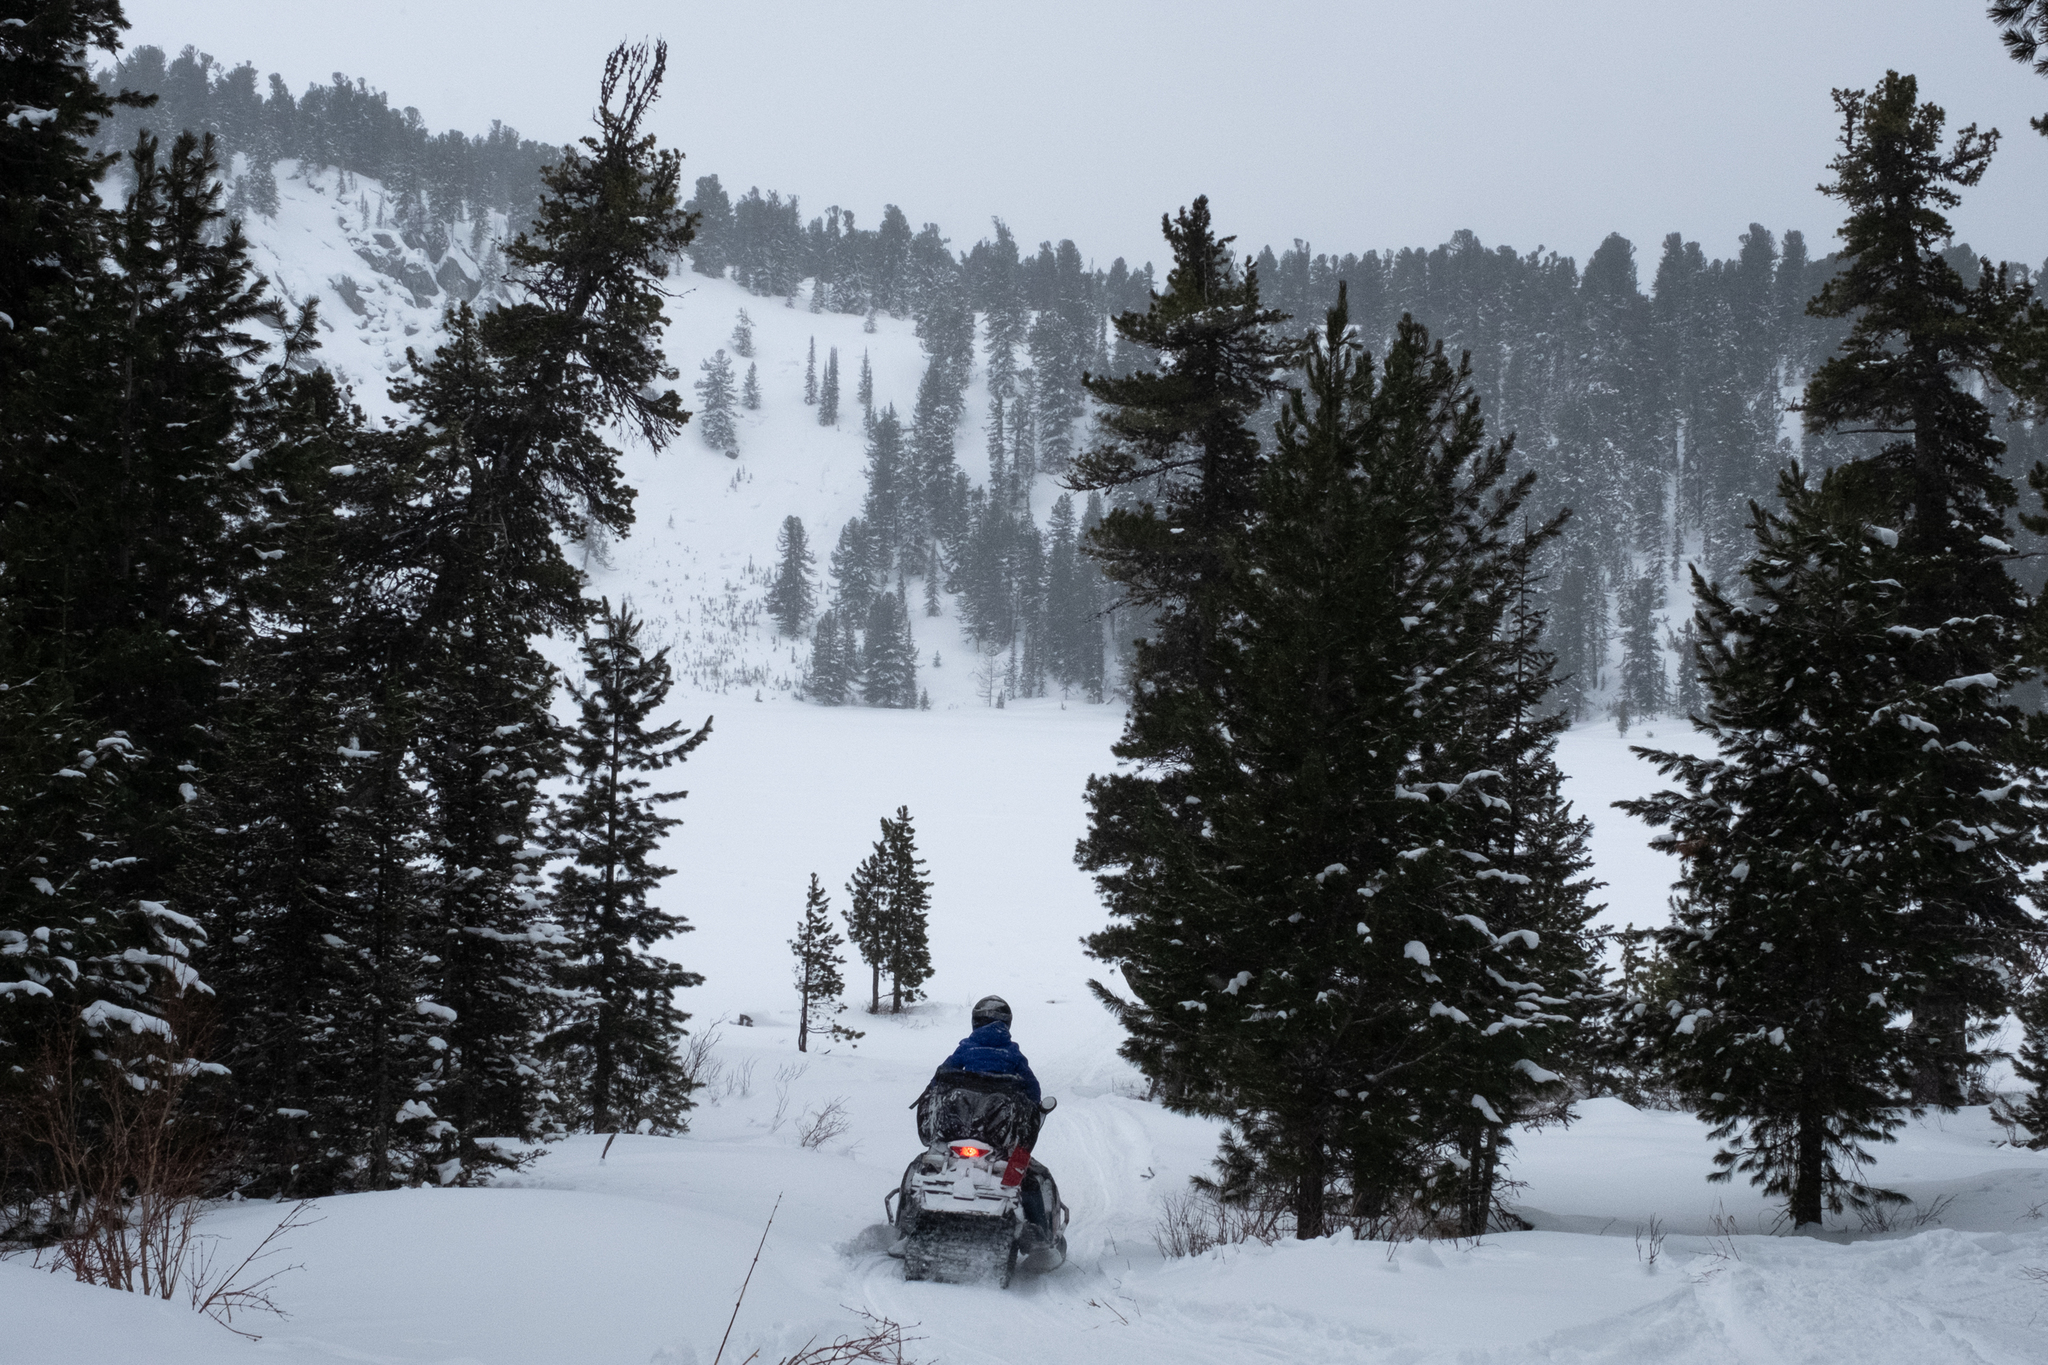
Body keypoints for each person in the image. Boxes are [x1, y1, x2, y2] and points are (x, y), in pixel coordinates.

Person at [930, 995, 1058, 1259]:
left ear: (976, 1022)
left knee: (926, 1165)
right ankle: (1039, 1236)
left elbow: (940, 1079)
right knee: (1028, 1178)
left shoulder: (965, 1048)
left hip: (958, 1136)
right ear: (1007, 1024)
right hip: (1000, 1142)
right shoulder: (1012, 1053)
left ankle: (905, 1224)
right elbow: (1033, 1090)